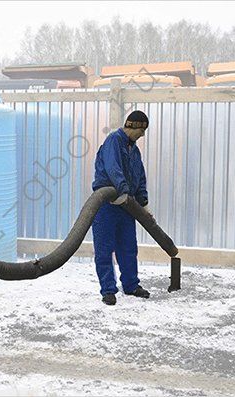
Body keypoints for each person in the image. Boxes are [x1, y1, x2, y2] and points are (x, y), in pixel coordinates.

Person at [91, 110, 151, 306]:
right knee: (104, 249)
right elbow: (113, 168)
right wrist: (124, 191)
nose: (142, 134)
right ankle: (108, 290)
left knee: (128, 247)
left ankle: (131, 285)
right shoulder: (113, 142)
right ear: (132, 126)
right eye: (141, 130)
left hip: (126, 206)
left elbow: (140, 176)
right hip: (107, 204)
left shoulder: (134, 150)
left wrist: (142, 201)